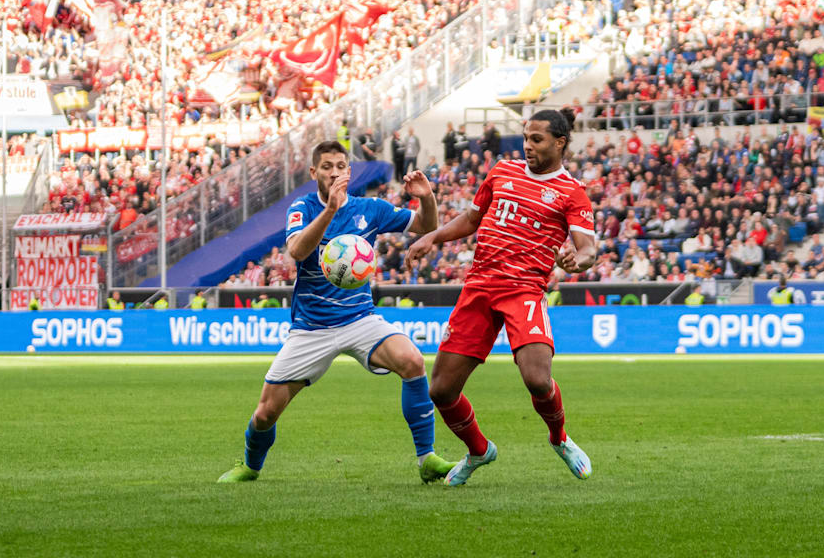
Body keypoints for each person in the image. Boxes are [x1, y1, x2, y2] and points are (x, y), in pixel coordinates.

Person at [219, 140, 451, 484]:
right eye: (326, 166)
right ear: (314, 172)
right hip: (312, 327)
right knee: (266, 413)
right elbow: (297, 251)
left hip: (360, 319)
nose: (333, 172)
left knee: (413, 361)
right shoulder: (302, 207)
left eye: (340, 166)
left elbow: (425, 225)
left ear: (349, 172)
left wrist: (427, 196)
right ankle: (251, 466)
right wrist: (329, 209)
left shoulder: (370, 208)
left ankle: (426, 457)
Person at [407, 109, 597, 486]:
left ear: (560, 143)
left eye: (537, 139)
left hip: (524, 290)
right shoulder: (501, 172)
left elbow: (588, 247)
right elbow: (471, 220)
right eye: (526, 137)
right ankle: (479, 450)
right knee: (441, 389)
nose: (528, 145)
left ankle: (559, 439)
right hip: (478, 287)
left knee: (537, 379)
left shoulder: (571, 192)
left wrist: (578, 259)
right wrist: (433, 236)